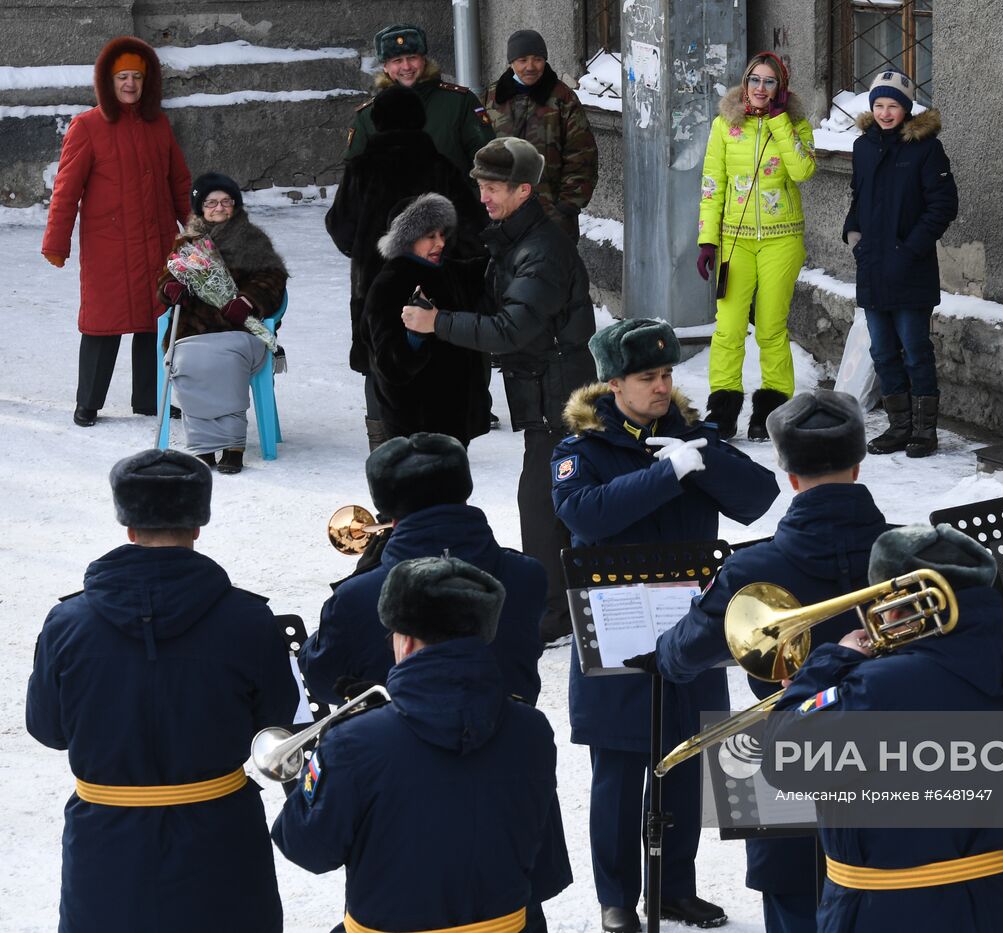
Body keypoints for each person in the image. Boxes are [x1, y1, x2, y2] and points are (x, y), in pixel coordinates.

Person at [624, 388, 889, 932]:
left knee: (793, 902)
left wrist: (662, 655)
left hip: (784, 746)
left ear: (789, 476)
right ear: (858, 466)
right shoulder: (905, 551)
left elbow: (687, 651)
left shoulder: (755, 567)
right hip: (897, 745)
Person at [551, 317, 780, 933]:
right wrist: (665, 475)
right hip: (619, 626)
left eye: (667, 374)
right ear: (613, 384)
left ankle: (673, 888)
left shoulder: (690, 436)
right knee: (621, 772)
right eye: (647, 377)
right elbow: (587, 517)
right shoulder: (582, 448)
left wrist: (701, 459)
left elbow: (759, 497)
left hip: (689, 625)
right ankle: (618, 899)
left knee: (685, 760)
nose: (661, 387)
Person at [26, 448, 299, 933]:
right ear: (198, 524)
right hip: (220, 836)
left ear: (128, 527)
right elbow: (276, 720)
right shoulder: (249, 619)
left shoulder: (68, 622)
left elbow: (48, 729)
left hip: (105, 841)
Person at [763, 524, 1003, 933]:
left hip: (883, 910)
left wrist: (827, 669)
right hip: (993, 903)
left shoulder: (878, 687)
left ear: (897, 608)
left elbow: (782, 761)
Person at [274, 556, 570, 933]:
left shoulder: (354, 740)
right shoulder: (532, 728)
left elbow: (307, 849)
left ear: (407, 642)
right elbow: (539, 859)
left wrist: (342, 742)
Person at [402, 137, 596, 643]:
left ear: (523, 190)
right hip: (543, 397)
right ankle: (565, 606)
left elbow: (513, 329)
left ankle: (553, 615)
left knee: (542, 507)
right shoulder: (516, 238)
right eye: (481, 186)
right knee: (553, 505)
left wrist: (436, 321)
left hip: (562, 401)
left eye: (492, 188)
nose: (483, 197)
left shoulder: (544, 249)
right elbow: (494, 284)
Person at [300, 432, 547, 708]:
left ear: (391, 518)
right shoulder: (528, 575)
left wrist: (364, 576)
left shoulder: (355, 597)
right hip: (511, 738)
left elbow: (322, 682)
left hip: (390, 744)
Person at [327, 84, 488, 449]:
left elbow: (340, 228)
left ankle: (381, 442)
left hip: (373, 281)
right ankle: (441, 443)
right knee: (438, 359)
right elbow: (473, 227)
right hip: (435, 283)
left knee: (377, 358)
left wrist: (370, 250)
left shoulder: (362, 169)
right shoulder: (440, 165)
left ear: (377, 121)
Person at [42, 36, 192, 428]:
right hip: (109, 248)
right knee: (101, 325)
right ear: (107, 82)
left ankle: (148, 399)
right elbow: (66, 190)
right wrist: (56, 243)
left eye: (137, 77)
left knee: (154, 321)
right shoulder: (87, 126)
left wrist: (198, 233)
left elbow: (178, 182)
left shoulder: (158, 125)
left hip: (156, 242)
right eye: (122, 77)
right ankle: (87, 402)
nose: (130, 85)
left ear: (147, 82)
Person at [696, 51, 816, 441]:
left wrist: (780, 120)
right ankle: (723, 410)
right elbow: (712, 185)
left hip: (782, 239)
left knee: (770, 328)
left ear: (780, 88)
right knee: (728, 329)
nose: (761, 89)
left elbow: (803, 170)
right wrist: (707, 240)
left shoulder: (795, 123)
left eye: (769, 82)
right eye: (754, 80)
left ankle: (772, 410)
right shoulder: (724, 125)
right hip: (735, 241)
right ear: (744, 83)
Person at [844, 69, 958, 458]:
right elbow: (857, 199)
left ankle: (925, 431)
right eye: (879, 104)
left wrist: (909, 251)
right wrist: (853, 235)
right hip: (872, 267)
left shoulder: (926, 149)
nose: (885, 112)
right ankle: (898, 427)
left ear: (906, 109)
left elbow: (943, 206)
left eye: (893, 105)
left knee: (914, 348)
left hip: (911, 268)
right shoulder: (863, 148)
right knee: (882, 351)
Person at [157, 173, 288, 474]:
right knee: (188, 362)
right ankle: (204, 446)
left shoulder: (254, 239)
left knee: (227, 362)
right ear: (200, 207)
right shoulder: (187, 243)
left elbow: (273, 278)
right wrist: (170, 288)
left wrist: (247, 301)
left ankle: (233, 446)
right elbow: (166, 277)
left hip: (237, 329)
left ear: (235, 205)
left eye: (226, 202)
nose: (219, 208)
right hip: (193, 332)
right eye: (211, 202)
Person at [362, 193, 491, 448]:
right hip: (417, 422)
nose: (440, 243)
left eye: (442, 235)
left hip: (455, 414)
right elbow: (389, 366)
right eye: (430, 237)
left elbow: (486, 270)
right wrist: (415, 336)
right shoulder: (390, 284)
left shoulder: (449, 271)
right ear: (407, 239)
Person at [482, 29, 598, 241]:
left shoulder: (563, 99)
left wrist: (566, 206)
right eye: (522, 60)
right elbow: (479, 151)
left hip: (551, 218)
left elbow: (582, 155)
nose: (530, 66)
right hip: (502, 217)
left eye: (537, 59)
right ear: (511, 62)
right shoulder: (491, 98)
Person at [344, 23, 495, 177]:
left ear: (424, 60)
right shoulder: (368, 115)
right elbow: (355, 174)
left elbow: (488, 161)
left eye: (412, 58)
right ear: (385, 67)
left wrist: (468, 199)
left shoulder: (459, 102)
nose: (406, 66)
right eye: (397, 60)